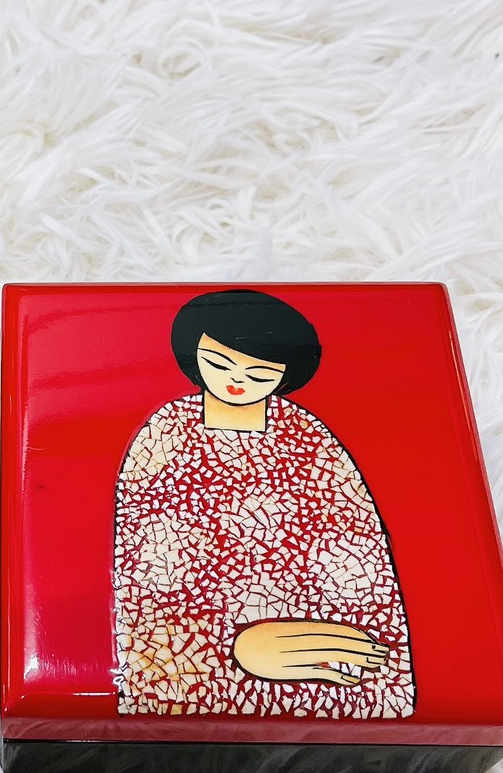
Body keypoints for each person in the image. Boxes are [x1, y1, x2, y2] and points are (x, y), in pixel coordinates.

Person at [112, 289, 415, 720]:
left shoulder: (310, 439)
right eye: (219, 364)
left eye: (260, 374)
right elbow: (148, 569)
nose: (236, 380)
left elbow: (358, 554)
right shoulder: (166, 434)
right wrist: (233, 651)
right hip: (190, 648)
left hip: (307, 637)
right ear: (193, 356)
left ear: (284, 375)